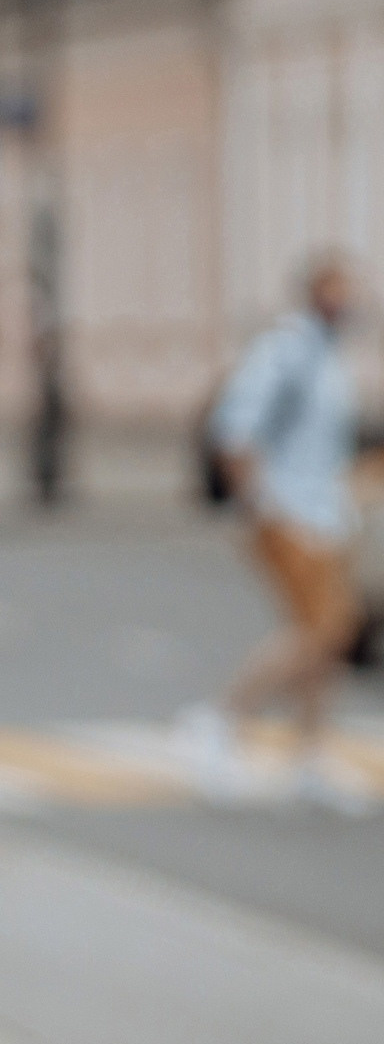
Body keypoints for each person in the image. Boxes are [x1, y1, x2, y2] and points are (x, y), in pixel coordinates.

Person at [184, 252, 377, 812]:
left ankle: (310, 756)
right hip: (289, 515)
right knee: (321, 630)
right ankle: (219, 719)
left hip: (325, 515)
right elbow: (235, 429)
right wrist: (263, 501)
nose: (350, 302)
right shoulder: (286, 350)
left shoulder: (327, 355)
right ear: (317, 294)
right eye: (340, 291)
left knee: (326, 636)